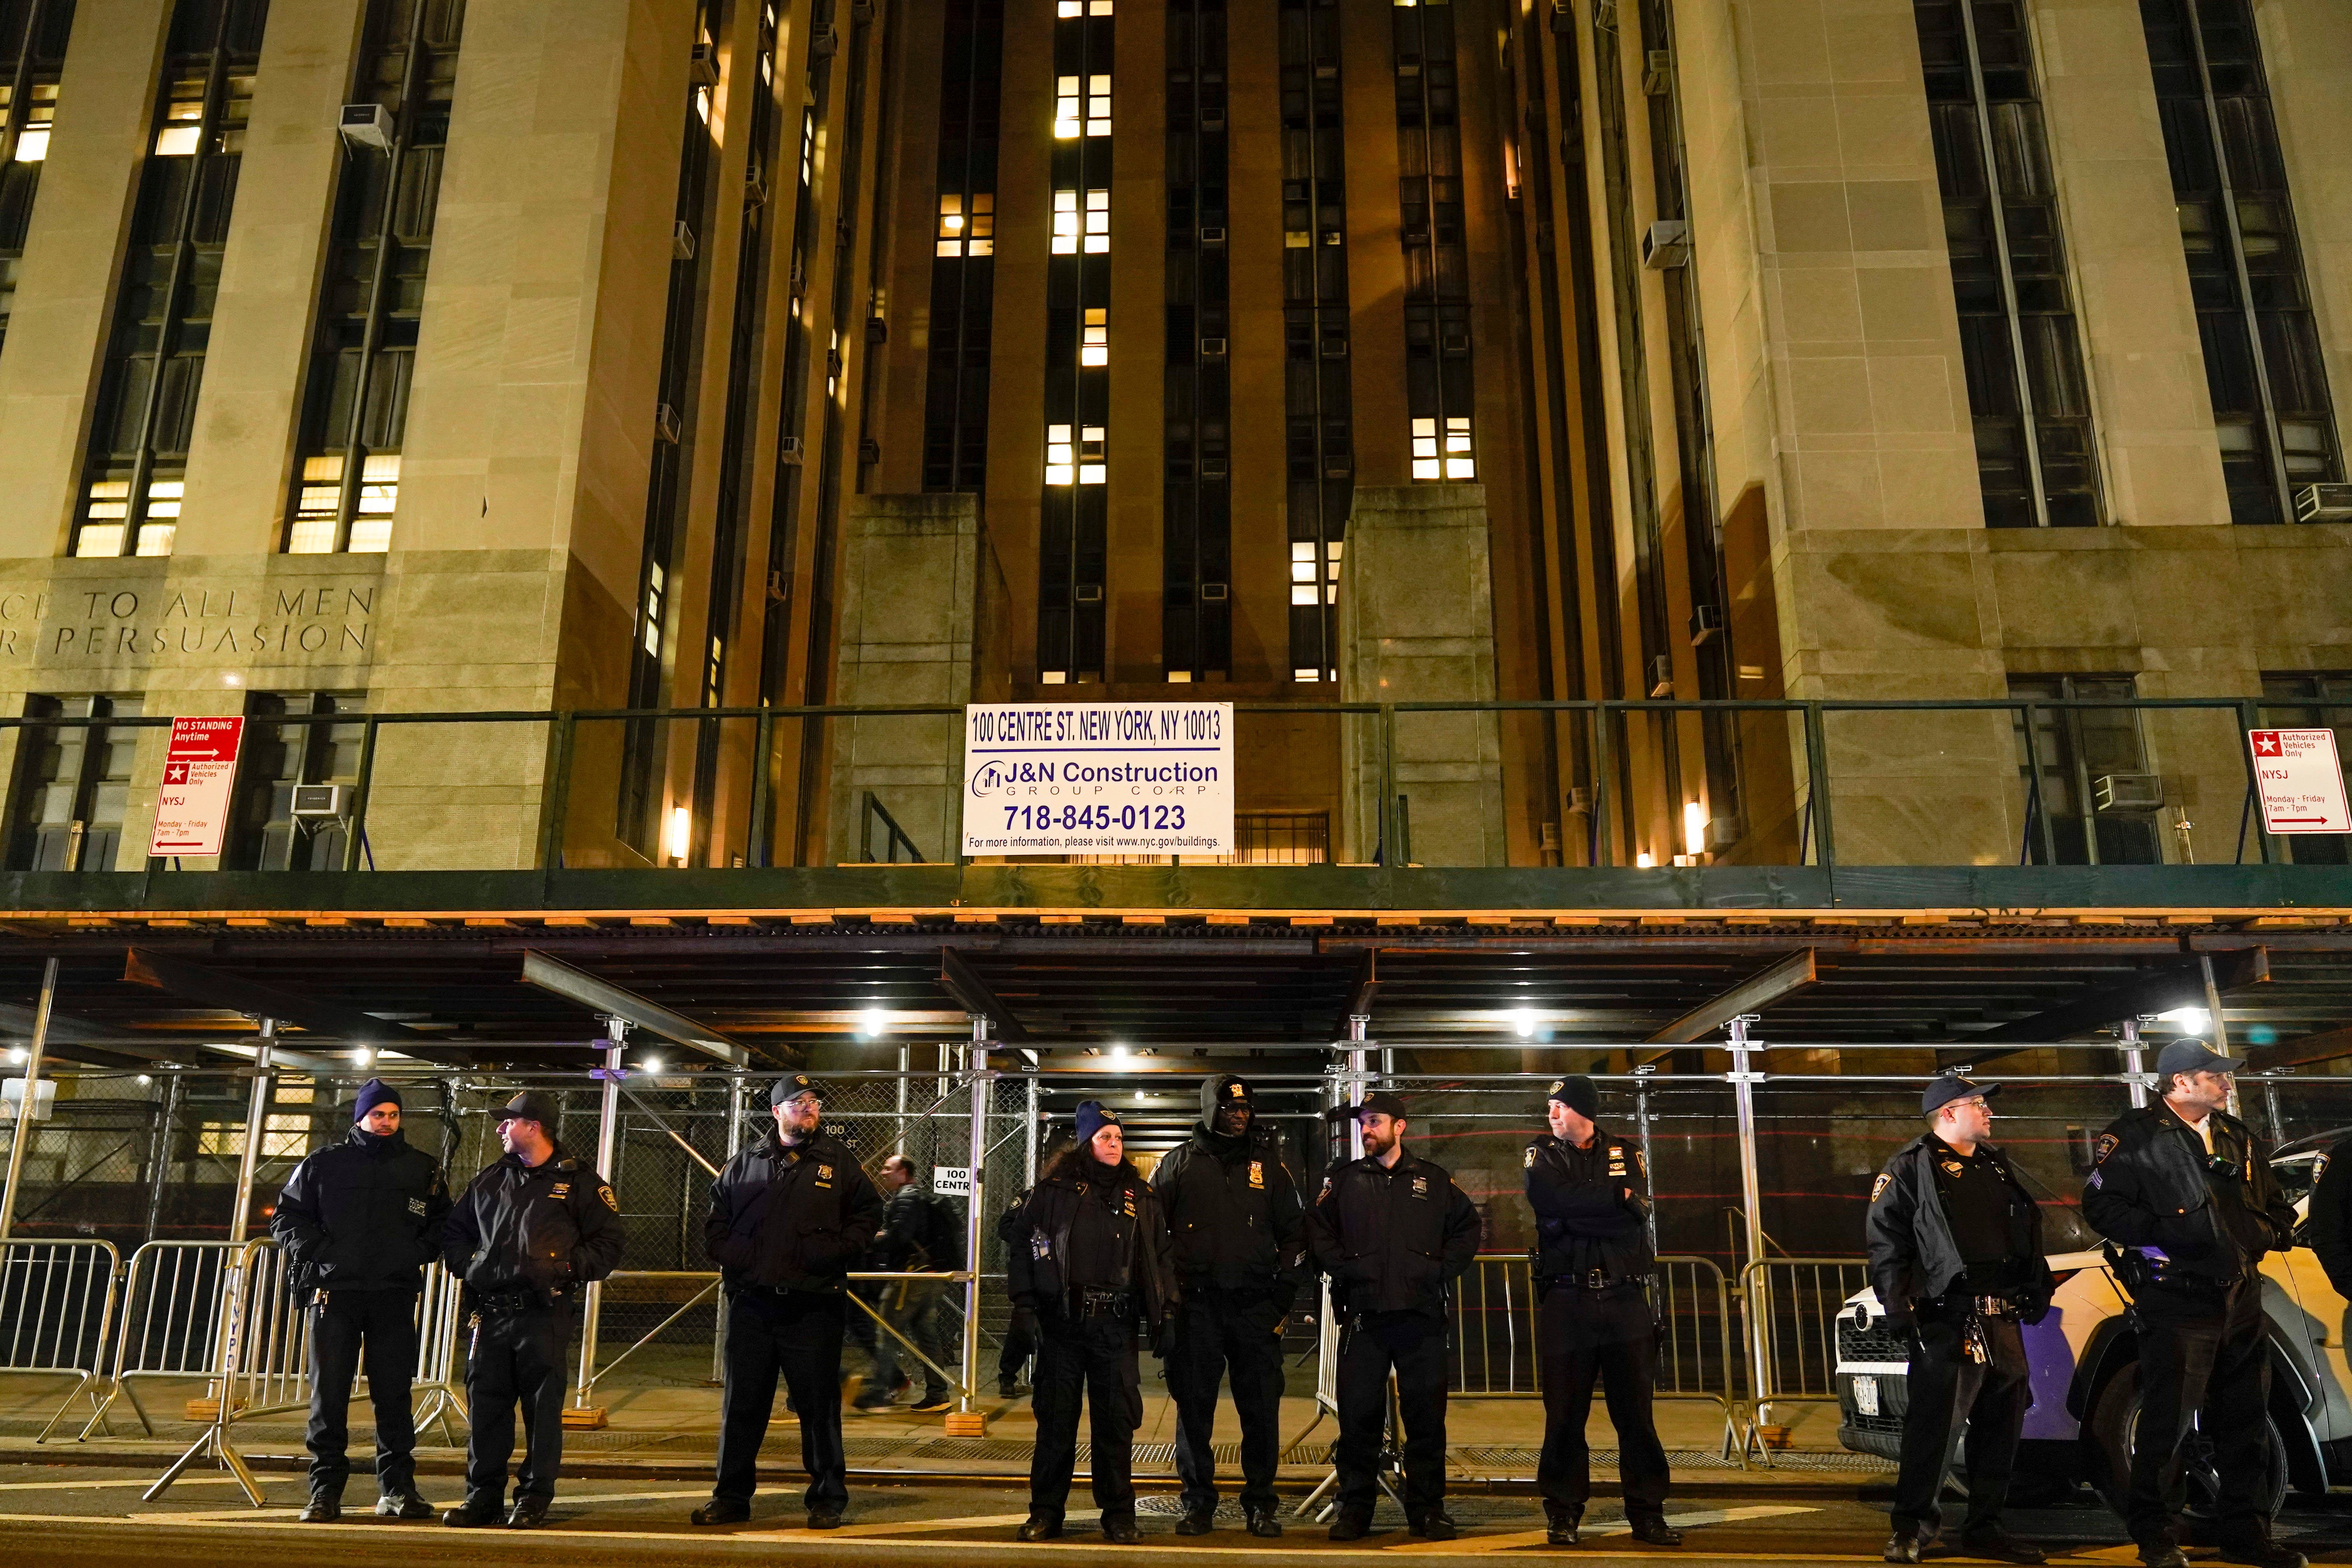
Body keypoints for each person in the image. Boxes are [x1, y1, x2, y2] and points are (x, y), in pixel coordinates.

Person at [2084, 1040, 2301, 1568]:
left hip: (2241, 1294)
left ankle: (2247, 1536)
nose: (2227, 1084)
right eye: (2216, 1076)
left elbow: (2275, 1208)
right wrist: (2169, 1235)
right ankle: (2156, 1534)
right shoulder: (2135, 1136)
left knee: (2246, 1418)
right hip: (2176, 1296)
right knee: (2168, 1423)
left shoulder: (2236, 1136)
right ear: (2181, 1082)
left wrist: (2261, 1233)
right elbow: (2101, 1205)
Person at [1865, 1075, 2055, 1566]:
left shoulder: (1994, 1165)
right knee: (1934, 1429)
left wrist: (2038, 1281)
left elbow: (2023, 1229)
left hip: (2001, 1316)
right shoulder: (1911, 1167)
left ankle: (1986, 1526)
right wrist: (1898, 1305)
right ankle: (1911, 1528)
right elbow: (1887, 1242)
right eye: (1978, 1103)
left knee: (2001, 1429)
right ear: (1948, 1113)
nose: (1988, 1111)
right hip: (1950, 1318)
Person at [693, 1074, 885, 1529]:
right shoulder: (746, 1162)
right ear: (776, 1112)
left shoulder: (838, 1162)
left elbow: (868, 1215)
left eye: (814, 1101)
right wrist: (741, 1259)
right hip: (753, 1305)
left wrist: (832, 1252)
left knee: (818, 1407)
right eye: (798, 1102)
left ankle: (826, 1497)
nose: (809, 1107)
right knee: (743, 1405)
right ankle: (731, 1496)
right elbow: (715, 1223)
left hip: (813, 1304)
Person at [440, 1090, 623, 1529]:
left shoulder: (580, 1182)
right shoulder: (489, 1179)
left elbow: (608, 1244)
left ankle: (534, 1496)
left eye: (509, 1121)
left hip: (543, 1313)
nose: (501, 1128)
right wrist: (472, 1266)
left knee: (542, 1410)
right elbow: (455, 1234)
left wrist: (563, 1268)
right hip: (490, 1313)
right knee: (486, 1408)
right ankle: (483, 1497)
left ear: (535, 1126)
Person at [271, 1078, 451, 1524]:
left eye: (393, 1114)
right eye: (379, 1114)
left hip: (392, 1293)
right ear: (360, 1117)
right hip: (336, 1293)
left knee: (394, 1396)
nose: (387, 1122)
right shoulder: (323, 1164)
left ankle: (397, 1488)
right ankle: (325, 1492)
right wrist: (321, 1252)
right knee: (328, 1395)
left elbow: (442, 1223)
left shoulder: (422, 1168)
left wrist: (417, 1252)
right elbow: (287, 1217)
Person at [1304, 1091, 1479, 1542]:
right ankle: (1355, 1510)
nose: (1367, 1129)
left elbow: (1467, 1228)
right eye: (1363, 1122)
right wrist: (1346, 1268)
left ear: (1400, 1126)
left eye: (1375, 1121)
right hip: (1366, 1318)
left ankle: (1426, 1510)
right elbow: (1317, 1229)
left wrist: (1439, 1270)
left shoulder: (1434, 1180)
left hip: (1420, 1318)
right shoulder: (1342, 1181)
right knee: (1359, 1419)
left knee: (1425, 1420)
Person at [1005, 1101, 1176, 1544]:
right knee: (1057, 1422)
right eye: (1105, 1136)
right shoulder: (1053, 1192)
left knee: (1115, 1424)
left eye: (1118, 1137)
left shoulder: (1142, 1196)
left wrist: (1166, 1311)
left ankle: (1119, 1514)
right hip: (1064, 1323)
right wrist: (1024, 1304)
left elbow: (1160, 1258)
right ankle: (1046, 1511)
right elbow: (1023, 1245)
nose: (1115, 1144)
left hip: (1115, 1326)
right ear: (1085, 1142)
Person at [1524, 1075, 1681, 1548]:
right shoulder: (1542, 1153)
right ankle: (1564, 1512)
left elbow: (1632, 1214)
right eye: (1550, 1106)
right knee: (1565, 1416)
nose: (1552, 1113)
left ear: (1583, 1110)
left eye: (1560, 1106)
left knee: (1636, 1414)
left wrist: (1583, 1211)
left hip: (1624, 1297)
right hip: (1567, 1299)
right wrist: (1617, 1199)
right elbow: (1549, 1200)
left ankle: (1647, 1513)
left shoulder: (1626, 1151)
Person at [1151, 1072, 1306, 1537]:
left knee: (1260, 1407)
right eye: (1229, 1108)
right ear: (1208, 1110)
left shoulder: (1270, 1168)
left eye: (1245, 1108)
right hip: (1197, 1308)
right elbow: (1153, 1236)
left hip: (1254, 1307)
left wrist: (1282, 1295)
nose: (1239, 1115)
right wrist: (1167, 1297)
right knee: (1194, 1407)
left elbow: (1295, 1234)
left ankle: (1261, 1502)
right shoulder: (1177, 1164)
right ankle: (1198, 1502)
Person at [852, 1153, 958, 1415]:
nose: (883, 1173)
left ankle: (884, 1391)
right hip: (929, 1274)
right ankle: (937, 1394)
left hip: (911, 1276)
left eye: (889, 1169)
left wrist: (870, 1240)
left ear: (904, 1173)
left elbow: (900, 1237)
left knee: (886, 1330)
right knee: (927, 1336)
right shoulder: (919, 1197)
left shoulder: (907, 1198)